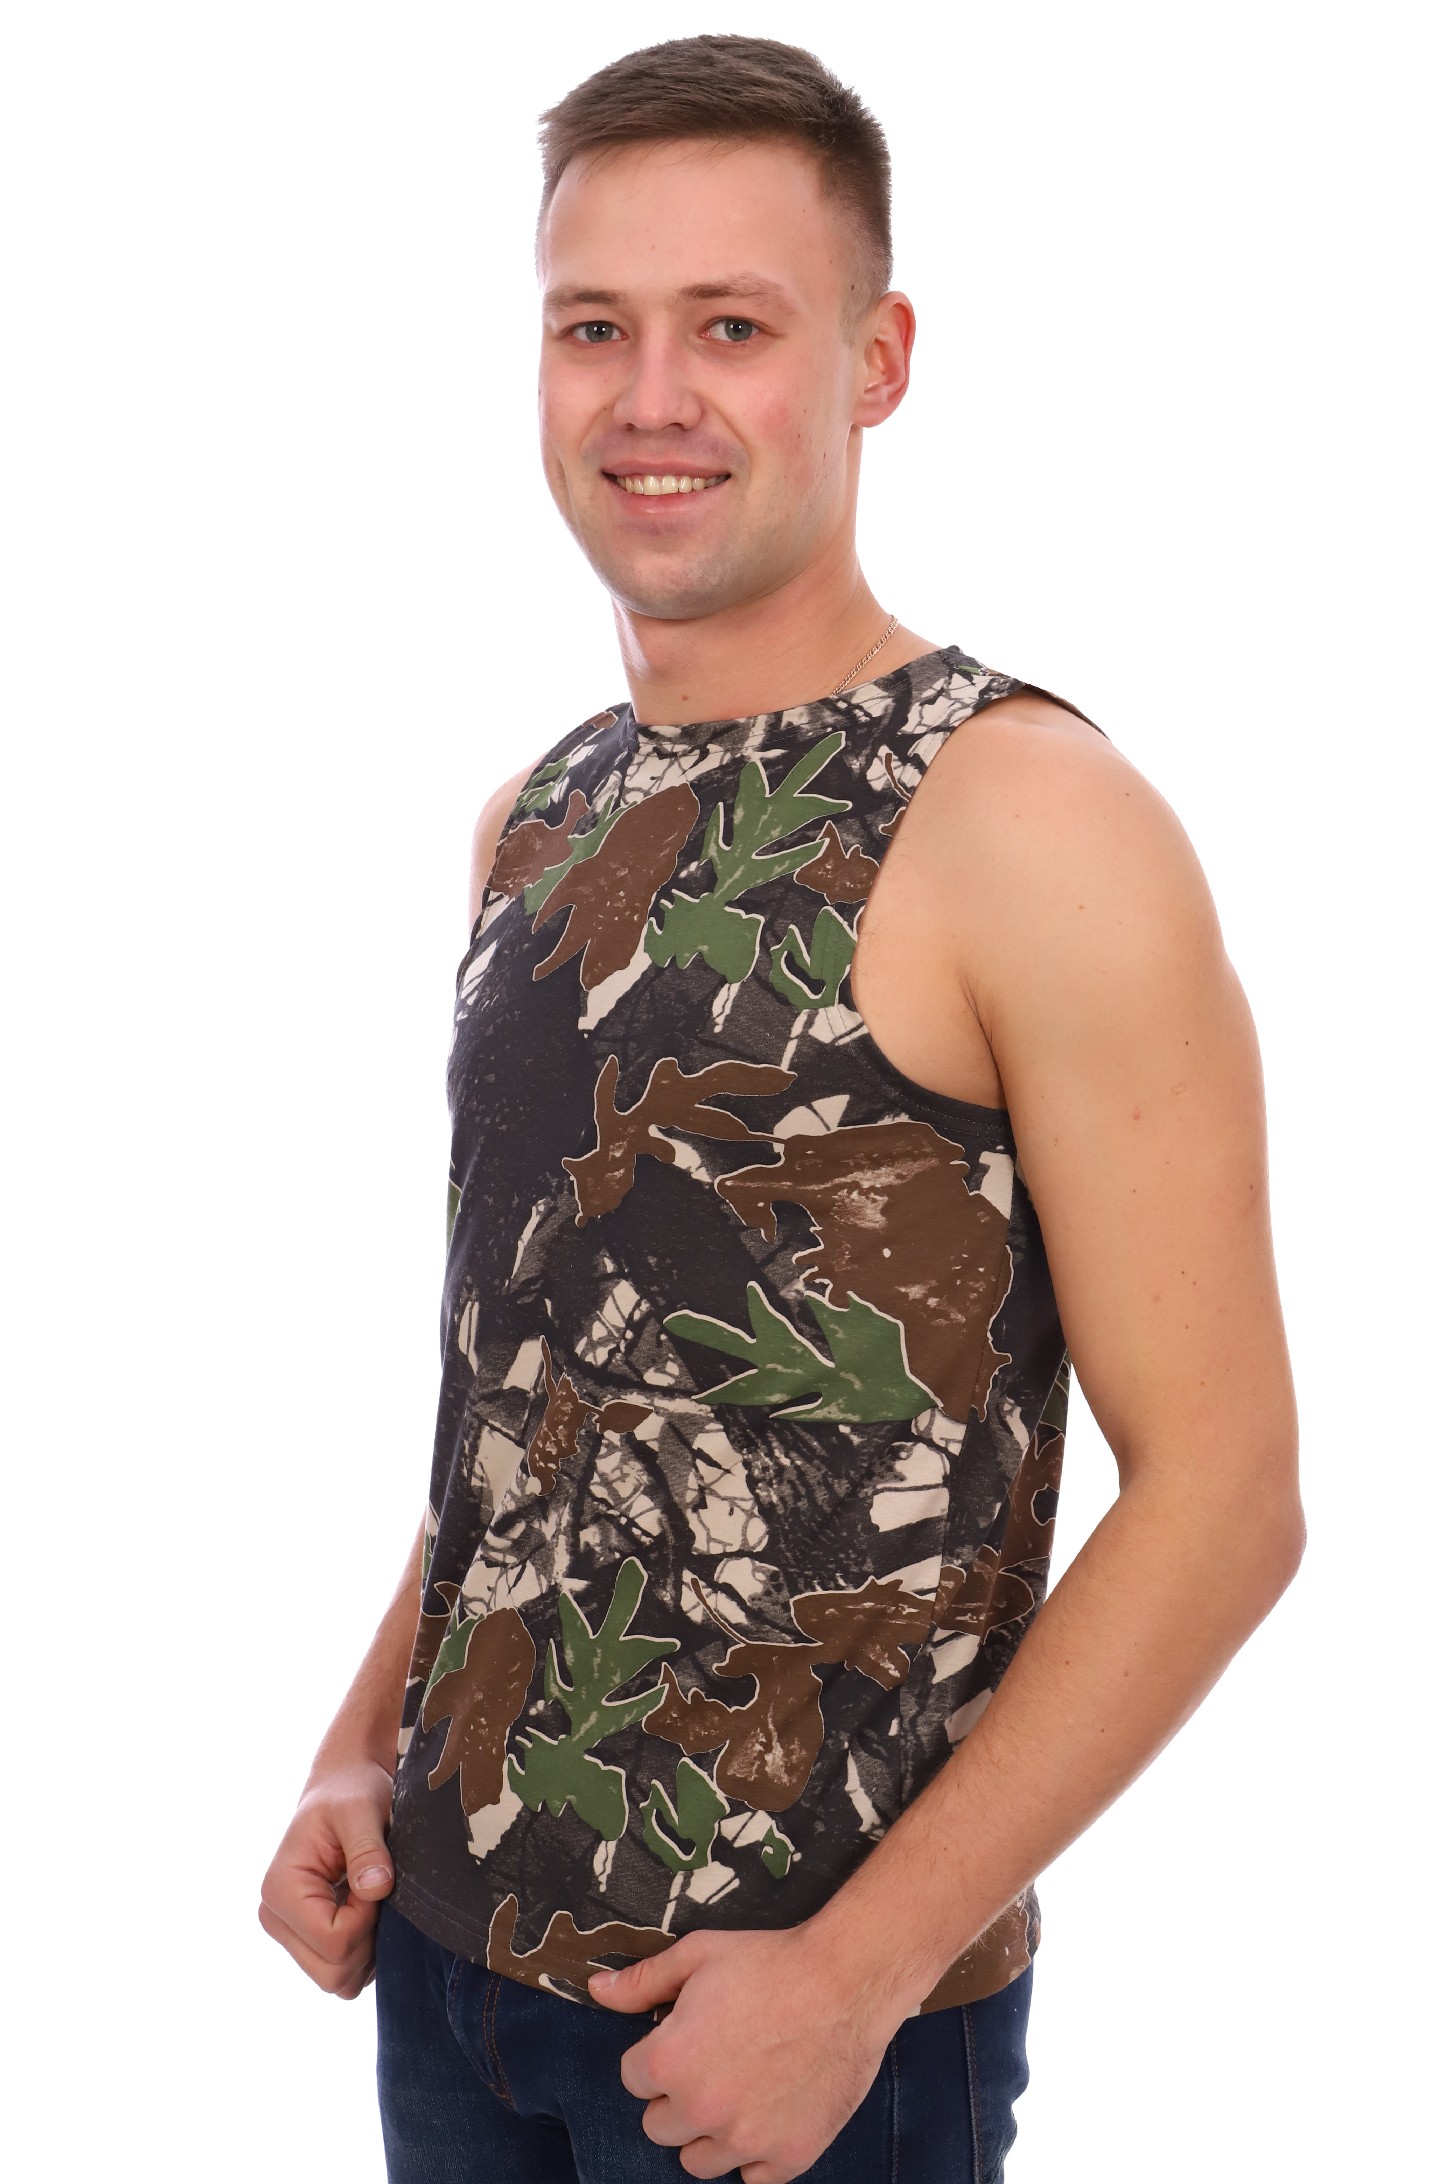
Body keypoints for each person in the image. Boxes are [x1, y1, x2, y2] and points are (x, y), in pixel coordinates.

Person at [259, 33, 1304, 2184]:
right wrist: (359, 1745)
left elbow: (1226, 1498)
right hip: (449, 1985)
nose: (651, 396)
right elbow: (541, 1389)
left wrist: (852, 1977)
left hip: (805, 2043)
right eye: (593, 329)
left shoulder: (1026, 816)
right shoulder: (537, 815)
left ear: (876, 359)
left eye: (730, 327)